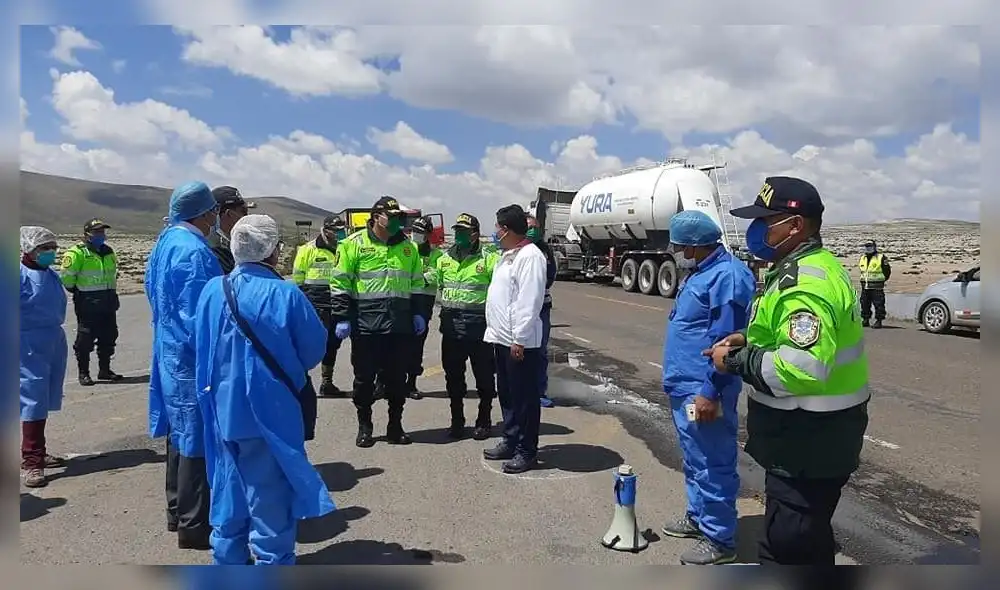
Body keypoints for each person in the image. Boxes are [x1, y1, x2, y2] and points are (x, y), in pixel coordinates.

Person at [707, 176, 870, 566]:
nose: (757, 230)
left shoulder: (805, 284)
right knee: (809, 542)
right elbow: (783, 335)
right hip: (811, 439)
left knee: (787, 550)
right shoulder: (802, 267)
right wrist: (747, 339)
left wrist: (732, 362)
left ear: (795, 226)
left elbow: (800, 368)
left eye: (766, 220)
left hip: (807, 444)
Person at [195, 214, 336, 565]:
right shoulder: (286, 294)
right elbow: (314, 348)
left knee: (227, 493)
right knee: (270, 500)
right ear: (273, 249)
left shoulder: (214, 290)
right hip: (270, 412)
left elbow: (201, 344)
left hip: (222, 411)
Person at [658, 211, 756, 565]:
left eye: (682, 245)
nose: (679, 250)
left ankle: (720, 540)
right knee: (696, 458)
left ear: (696, 245)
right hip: (686, 385)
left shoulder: (727, 277)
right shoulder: (703, 271)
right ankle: (699, 517)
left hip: (705, 387)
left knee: (712, 461)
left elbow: (726, 346)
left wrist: (710, 391)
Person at [146, 181, 224, 550]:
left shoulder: (165, 241)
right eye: (213, 211)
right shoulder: (193, 251)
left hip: (169, 350)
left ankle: (176, 510)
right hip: (191, 356)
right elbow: (202, 312)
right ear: (204, 212)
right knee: (195, 434)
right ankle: (194, 526)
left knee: (178, 433)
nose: (216, 217)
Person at [330, 196, 426, 448]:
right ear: (376, 217)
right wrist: (342, 317)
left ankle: (395, 425)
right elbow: (340, 283)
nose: (396, 222)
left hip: (399, 324)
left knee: (397, 379)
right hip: (366, 324)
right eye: (391, 217)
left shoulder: (409, 248)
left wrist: (418, 313)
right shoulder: (353, 245)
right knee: (363, 380)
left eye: (398, 218)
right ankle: (365, 426)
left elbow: (417, 283)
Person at [482, 205, 548, 474]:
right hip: (501, 337)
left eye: (498, 227)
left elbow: (529, 301)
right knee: (507, 394)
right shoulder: (508, 254)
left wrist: (519, 338)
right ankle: (510, 439)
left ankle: (526, 450)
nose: (495, 231)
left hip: (519, 343)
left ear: (506, 229)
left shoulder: (530, 256)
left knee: (525, 399)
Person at [436, 213, 499, 441]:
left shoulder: (489, 259)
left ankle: (484, 419)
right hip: (451, 331)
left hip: (479, 330)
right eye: (457, 230)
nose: (459, 235)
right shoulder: (444, 259)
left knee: (484, 379)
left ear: (474, 234)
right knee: (453, 379)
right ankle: (457, 421)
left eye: (464, 231)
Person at [20, 226, 69, 488]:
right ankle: (32, 462)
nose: (50, 253)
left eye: (53, 247)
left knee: (45, 397)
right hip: (27, 343)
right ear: (29, 248)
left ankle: (39, 450)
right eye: (44, 248)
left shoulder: (50, 275)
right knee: (33, 400)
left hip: (51, 339)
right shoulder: (19, 275)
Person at [60, 218, 122, 386]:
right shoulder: (77, 253)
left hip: (108, 302)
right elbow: (67, 277)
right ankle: (84, 373)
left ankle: (105, 370)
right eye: (96, 232)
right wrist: (77, 291)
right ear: (87, 234)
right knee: (85, 339)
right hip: (88, 303)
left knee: (109, 336)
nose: (100, 235)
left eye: (102, 232)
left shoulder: (108, 251)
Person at [292, 215, 349, 397]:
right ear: (325, 230)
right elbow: (298, 278)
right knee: (308, 344)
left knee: (333, 345)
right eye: (336, 230)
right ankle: (300, 383)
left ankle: (327, 383)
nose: (340, 233)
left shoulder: (345, 248)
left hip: (337, 303)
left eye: (342, 229)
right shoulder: (308, 249)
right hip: (315, 305)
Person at [405, 215, 443, 400]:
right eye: (414, 231)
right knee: (393, 344)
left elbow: (435, 275)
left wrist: (416, 278)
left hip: (423, 304)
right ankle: (384, 383)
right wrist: (420, 277)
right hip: (404, 301)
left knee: (416, 346)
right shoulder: (404, 249)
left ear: (428, 235)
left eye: (420, 232)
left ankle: (411, 383)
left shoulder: (436, 255)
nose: (415, 235)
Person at [525, 215, 558, 408]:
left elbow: (550, 275)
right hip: (518, 309)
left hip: (541, 307)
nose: (532, 231)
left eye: (535, 228)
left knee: (539, 351)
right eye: (529, 227)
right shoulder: (515, 249)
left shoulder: (545, 251)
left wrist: (535, 288)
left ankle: (539, 391)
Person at [208, 185, 255, 275]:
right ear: (229, 214)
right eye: (244, 212)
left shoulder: (227, 244)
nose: (246, 217)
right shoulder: (217, 250)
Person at [858, 240, 891, 328]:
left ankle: (878, 321)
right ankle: (865, 320)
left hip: (877, 286)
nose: (868, 248)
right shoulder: (863, 258)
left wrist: (883, 280)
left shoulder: (881, 257)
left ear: (874, 247)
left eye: (870, 246)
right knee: (864, 303)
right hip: (865, 286)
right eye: (867, 246)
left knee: (879, 304)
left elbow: (887, 271)